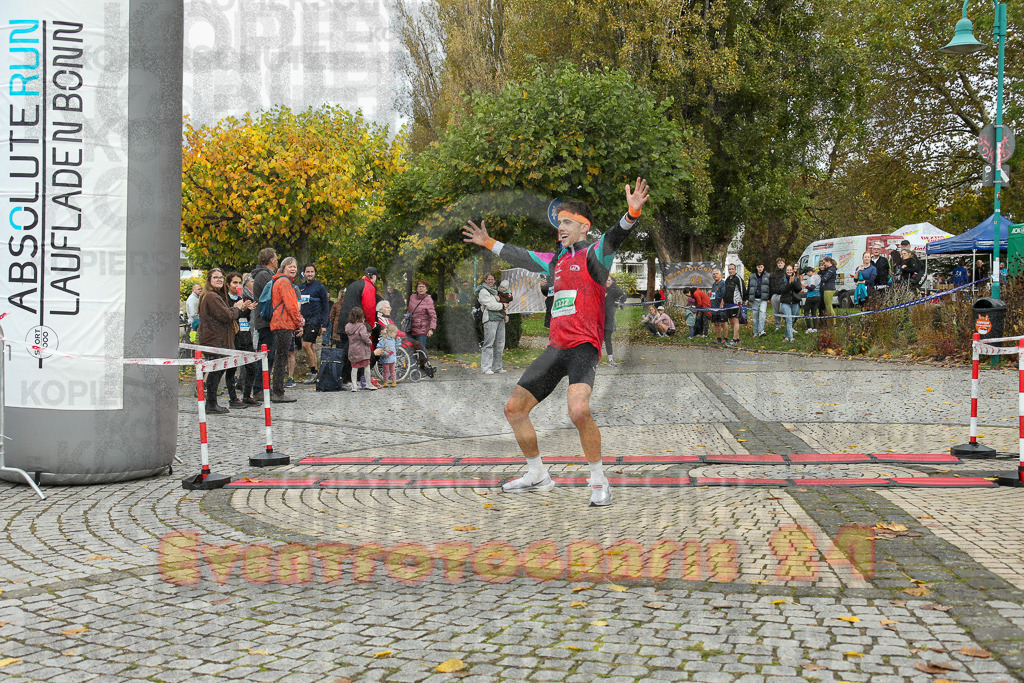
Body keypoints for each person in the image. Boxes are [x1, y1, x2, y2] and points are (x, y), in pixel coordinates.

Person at [461, 177, 650, 507]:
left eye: (566, 223)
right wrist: (488, 241)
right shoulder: (554, 259)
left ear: (583, 228)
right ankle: (537, 474)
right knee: (514, 409)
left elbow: (618, 234)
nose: (560, 227)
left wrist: (632, 211)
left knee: (578, 411)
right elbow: (519, 255)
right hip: (555, 349)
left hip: (582, 348)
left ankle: (599, 481)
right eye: (558, 222)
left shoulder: (595, 254)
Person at [197, 268, 255, 413]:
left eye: (221, 277)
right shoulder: (211, 296)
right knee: (216, 372)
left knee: (218, 371)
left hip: (218, 339)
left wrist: (240, 308)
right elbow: (226, 315)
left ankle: (211, 403)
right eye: (216, 277)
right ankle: (211, 404)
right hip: (215, 340)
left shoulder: (215, 295)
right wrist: (237, 308)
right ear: (209, 280)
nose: (219, 280)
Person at [337, 267, 380, 389]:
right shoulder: (368, 286)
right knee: (358, 352)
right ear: (372, 276)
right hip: (357, 323)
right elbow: (369, 306)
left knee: (346, 351)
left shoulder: (354, 284)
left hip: (345, 321)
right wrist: (370, 326)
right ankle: (353, 380)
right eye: (376, 277)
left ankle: (343, 378)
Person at [269, 257, 304, 403]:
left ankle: (277, 390)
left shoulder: (280, 280)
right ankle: (278, 392)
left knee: (280, 357)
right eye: (290, 266)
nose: (293, 269)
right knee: (282, 358)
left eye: (295, 266)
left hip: (281, 323)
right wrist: (299, 322)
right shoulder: (284, 282)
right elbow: (291, 305)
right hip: (283, 323)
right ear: (283, 268)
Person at [250, 248, 279, 398]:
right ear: (271, 260)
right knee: (267, 355)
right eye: (276, 258)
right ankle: (259, 388)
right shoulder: (265, 275)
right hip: (266, 321)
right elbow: (273, 295)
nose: (277, 260)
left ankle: (262, 387)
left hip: (266, 320)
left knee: (268, 355)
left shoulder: (265, 275)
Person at [225, 272, 256, 408]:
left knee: (251, 367)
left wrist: (246, 308)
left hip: (245, 334)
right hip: (234, 337)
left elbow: (246, 317)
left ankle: (247, 395)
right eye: (234, 283)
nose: (237, 285)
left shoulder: (244, 298)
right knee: (232, 370)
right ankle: (233, 398)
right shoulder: (225, 300)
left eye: (239, 283)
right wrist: (239, 308)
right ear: (228, 284)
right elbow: (229, 316)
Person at [298, 264, 329, 384]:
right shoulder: (301, 287)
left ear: (315, 273)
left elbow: (326, 306)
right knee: (311, 347)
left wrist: (325, 324)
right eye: (307, 272)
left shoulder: (320, 287)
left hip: (315, 321)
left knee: (306, 345)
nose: (310, 274)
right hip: (304, 321)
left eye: (312, 271)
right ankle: (316, 373)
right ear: (304, 273)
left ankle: (313, 372)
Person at [476, 273, 508, 375]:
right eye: (488, 279)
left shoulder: (497, 291)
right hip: (490, 319)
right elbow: (490, 305)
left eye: (492, 279)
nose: (490, 281)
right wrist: (502, 305)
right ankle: (486, 367)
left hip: (500, 319)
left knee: (500, 344)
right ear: (485, 280)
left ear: (495, 281)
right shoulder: (483, 291)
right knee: (488, 344)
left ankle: (497, 367)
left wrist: (504, 312)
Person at [406, 280, 437, 363]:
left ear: (426, 289)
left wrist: (431, 329)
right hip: (411, 327)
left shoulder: (428, 299)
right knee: (410, 349)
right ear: (416, 288)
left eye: (423, 287)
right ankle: (412, 368)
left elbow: (433, 315)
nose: (421, 288)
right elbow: (409, 311)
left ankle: (423, 367)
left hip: (422, 329)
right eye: (419, 286)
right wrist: (405, 318)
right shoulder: (412, 297)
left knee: (421, 349)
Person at [345, 307, 375, 391]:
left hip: (352, 350)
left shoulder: (347, 326)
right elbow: (364, 337)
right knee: (366, 366)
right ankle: (368, 383)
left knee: (354, 367)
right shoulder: (361, 326)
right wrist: (369, 342)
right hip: (362, 351)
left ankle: (354, 385)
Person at [603, 275, 626, 366]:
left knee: (608, 340)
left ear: (612, 281)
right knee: (596, 342)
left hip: (609, 320)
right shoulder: (601, 290)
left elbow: (622, 294)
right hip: (598, 320)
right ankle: (594, 361)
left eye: (609, 280)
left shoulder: (613, 291)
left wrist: (620, 304)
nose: (607, 282)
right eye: (606, 280)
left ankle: (611, 360)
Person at [723, 263, 745, 347]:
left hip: (736, 303)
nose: (731, 271)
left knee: (735, 320)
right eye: (729, 269)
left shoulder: (738, 278)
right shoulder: (727, 279)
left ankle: (735, 339)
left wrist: (743, 300)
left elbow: (742, 290)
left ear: (735, 270)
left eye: (732, 269)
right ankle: (737, 338)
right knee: (731, 321)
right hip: (728, 303)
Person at [779, 265, 802, 342]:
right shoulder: (783, 279)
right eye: (787, 270)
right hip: (786, 302)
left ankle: (785, 336)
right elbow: (782, 290)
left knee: (793, 319)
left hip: (795, 301)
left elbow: (799, 289)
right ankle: (791, 338)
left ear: (793, 270)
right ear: (785, 271)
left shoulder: (796, 279)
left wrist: (793, 283)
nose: (789, 271)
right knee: (789, 320)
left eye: (790, 270)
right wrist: (789, 283)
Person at [747, 262, 770, 338]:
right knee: (755, 316)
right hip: (754, 299)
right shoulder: (752, 276)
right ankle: (755, 332)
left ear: (763, 267)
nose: (760, 268)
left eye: (761, 267)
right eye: (758, 267)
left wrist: (769, 298)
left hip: (763, 298)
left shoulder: (768, 275)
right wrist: (747, 298)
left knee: (762, 314)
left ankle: (761, 330)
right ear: (756, 267)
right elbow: (749, 287)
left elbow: (770, 287)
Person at [374, 323, 400, 388]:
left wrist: (398, 341)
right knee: (386, 371)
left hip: (392, 358)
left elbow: (395, 348)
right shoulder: (383, 339)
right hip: (385, 359)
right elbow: (379, 348)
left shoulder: (393, 339)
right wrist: (384, 353)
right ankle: (385, 381)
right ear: (390, 332)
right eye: (395, 333)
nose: (396, 334)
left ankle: (394, 381)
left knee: (393, 370)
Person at [768, 257, 787, 332]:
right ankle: (777, 326)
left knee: (782, 310)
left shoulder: (786, 273)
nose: (780, 264)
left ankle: (788, 325)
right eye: (778, 263)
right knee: (776, 311)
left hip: (783, 294)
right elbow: (771, 284)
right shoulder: (775, 274)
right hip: (775, 294)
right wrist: (771, 295)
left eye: (781, 263)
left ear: (784, 264)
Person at [709, 268, 727, 344]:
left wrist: (722, 304)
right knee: (716, 323)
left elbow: (724, 295)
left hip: (721, 306)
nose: (715, 275)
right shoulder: (713, 284)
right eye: (714, 274)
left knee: (723, 323)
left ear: (720, 275)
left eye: (717, 273)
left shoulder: (723, 283)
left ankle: (725, 338)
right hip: (714, 306)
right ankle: (718, 338)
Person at [802, 267, 821, 333]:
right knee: (814, 312)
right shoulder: (818, 276)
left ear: (809, 271)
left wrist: (805, 286)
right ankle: (815, 328)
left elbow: (812, 288)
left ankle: (809, 328)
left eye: (807, 273)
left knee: (806, 312)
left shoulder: (812, 277)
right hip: (818, 296)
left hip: (811, 296)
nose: (807, 275)